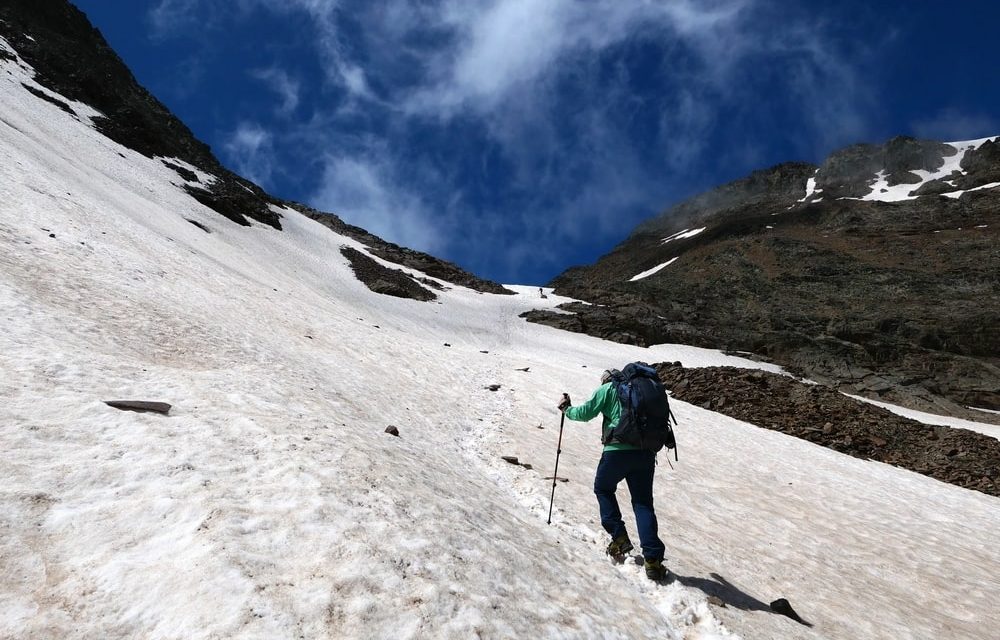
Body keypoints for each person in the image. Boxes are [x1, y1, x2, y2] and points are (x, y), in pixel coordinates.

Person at [558, 369, 667, 580]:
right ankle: (652, 560)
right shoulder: (642, 392)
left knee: (603, 488)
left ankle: (619, 537)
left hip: (616, 453)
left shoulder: (607, 389)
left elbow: (585, 413)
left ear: (607, 380)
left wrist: (566, 409)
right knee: (643, 504)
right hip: (645, 453)